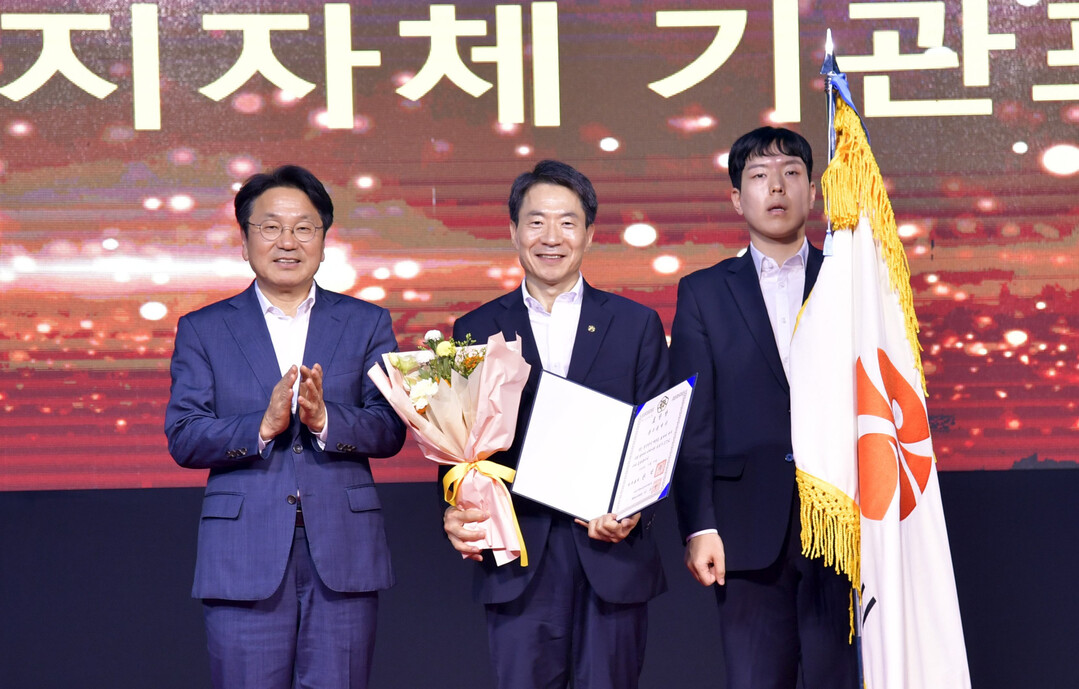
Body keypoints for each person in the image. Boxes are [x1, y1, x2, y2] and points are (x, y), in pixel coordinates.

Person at [164, 165, 406, 689]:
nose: (287, 242)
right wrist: (261, 425)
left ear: (324, 239)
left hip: (343, 552)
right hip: (243, 553)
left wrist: (326, 420)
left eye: (303, 227)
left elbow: (391, 427)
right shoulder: (204, 329)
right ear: (244, 240)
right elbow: (184, 435)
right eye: (270, 227)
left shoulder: (367, 323)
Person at [443, 160, 669, 689]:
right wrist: (454, 507)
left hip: (611, 554)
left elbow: (658, 438)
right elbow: (458, 443)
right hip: (518, 555)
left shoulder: (636, 324)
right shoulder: (476, 328)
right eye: (536, 221)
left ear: (589, 233)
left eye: (567, 222)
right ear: (514, 231)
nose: (551, 237)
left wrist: (634, 509)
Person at [669, 127, 860, 689]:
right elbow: (693, 421)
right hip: (745, 530)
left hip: (843, 524)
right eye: (759, 175)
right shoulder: (703, 292)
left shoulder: (850, 281)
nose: (776, 187)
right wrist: (699, 525)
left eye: (791, 173)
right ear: (737, 198)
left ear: (812, 191)